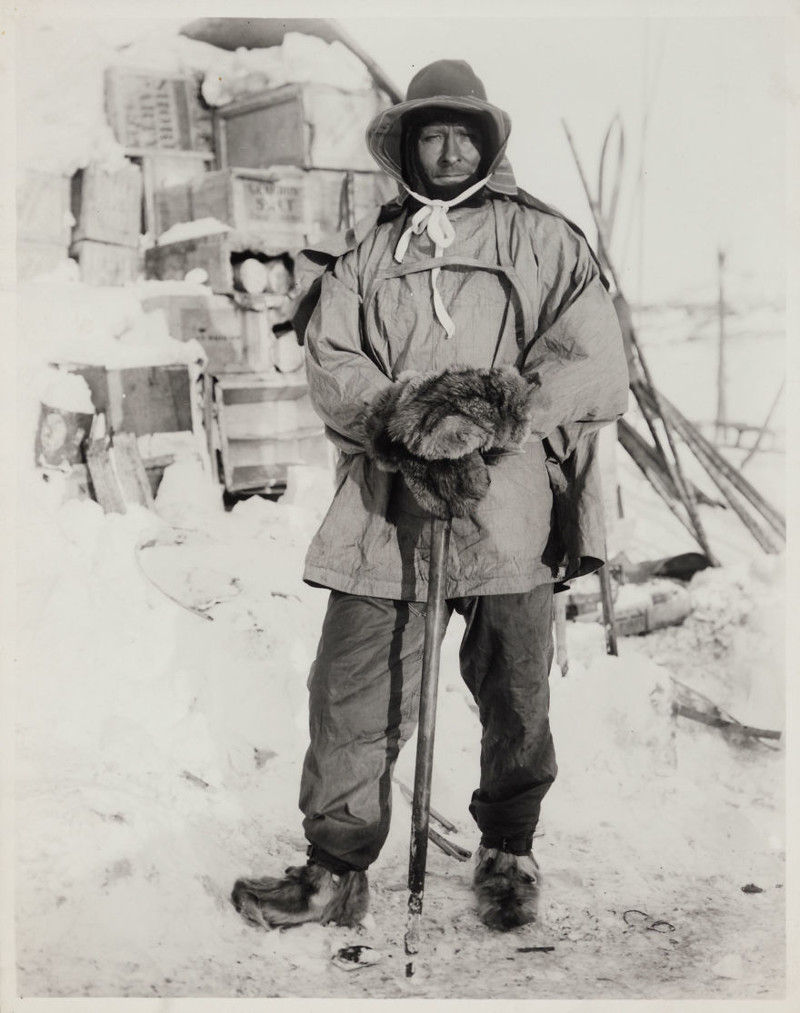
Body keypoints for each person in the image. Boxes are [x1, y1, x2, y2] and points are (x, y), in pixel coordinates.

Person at [232, 59, 629, 933]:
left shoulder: (544, 243)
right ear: (407, 147)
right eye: (430, 133)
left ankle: (509, 849)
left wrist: (495, 415)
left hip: (510, 504)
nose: (447, 149)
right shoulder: (372, 255)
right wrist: (399, 416)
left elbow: (594, 359)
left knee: (515, 692)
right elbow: (332, 360)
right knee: (352, 686)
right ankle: (336, 867)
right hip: (387, 505)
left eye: (462, 133)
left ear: (485, 141)